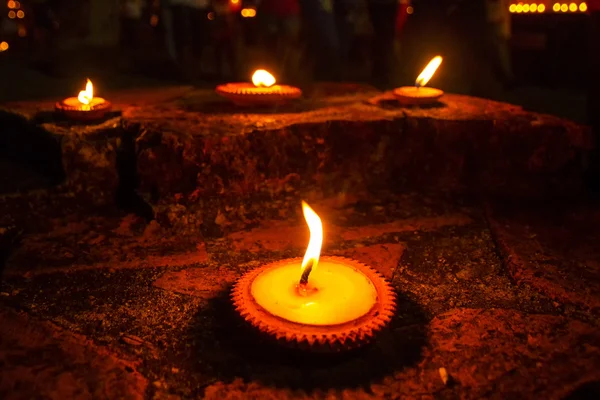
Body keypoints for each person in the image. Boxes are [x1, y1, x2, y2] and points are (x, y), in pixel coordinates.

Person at [168, 0, 211, 80]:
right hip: (182, 6)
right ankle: (186, 71)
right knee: (184, 39)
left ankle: (194, 71)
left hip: (200, 7)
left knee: (199, 40)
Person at [484, 0, 515, 88]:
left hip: (499, 24)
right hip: (498, 24)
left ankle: (507, 77)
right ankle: (505, 77)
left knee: (502, 52)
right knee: (501, 52)